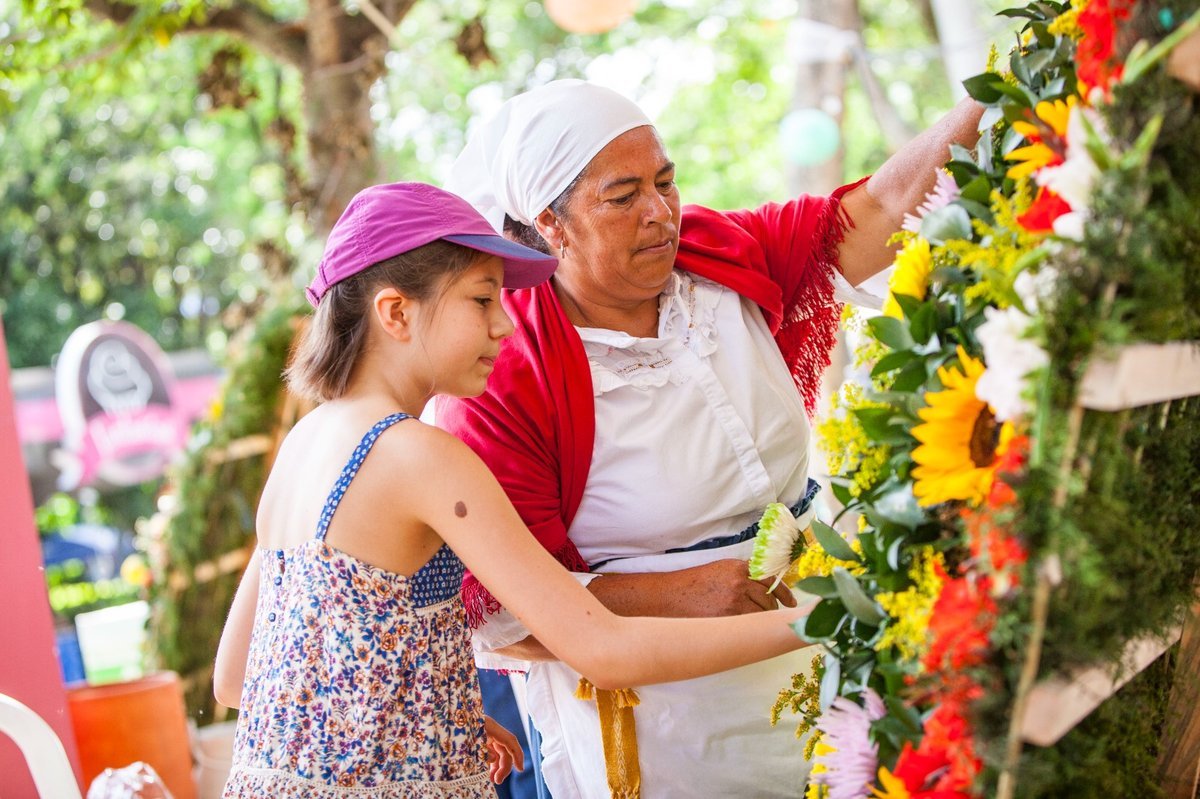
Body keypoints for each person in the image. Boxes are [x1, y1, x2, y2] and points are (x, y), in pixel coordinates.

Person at [437, 80, 985, 798]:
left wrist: (1002, 90)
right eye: (624, 195)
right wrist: (680, 594)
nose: (661, 212)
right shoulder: (503, 370)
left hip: (825, 644)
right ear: (552, 224)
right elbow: (498, 613)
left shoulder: (720, 255)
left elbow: (880, 207)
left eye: (665, 181)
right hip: (670, 724)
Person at [212, 182, 820, 798]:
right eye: (482, 300)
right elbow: (602, 650)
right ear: (396, 313)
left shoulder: (306, 444)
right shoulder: (419, 454)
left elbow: (237, 677)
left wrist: (433, 717)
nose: (505, 326)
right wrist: (813, 624)